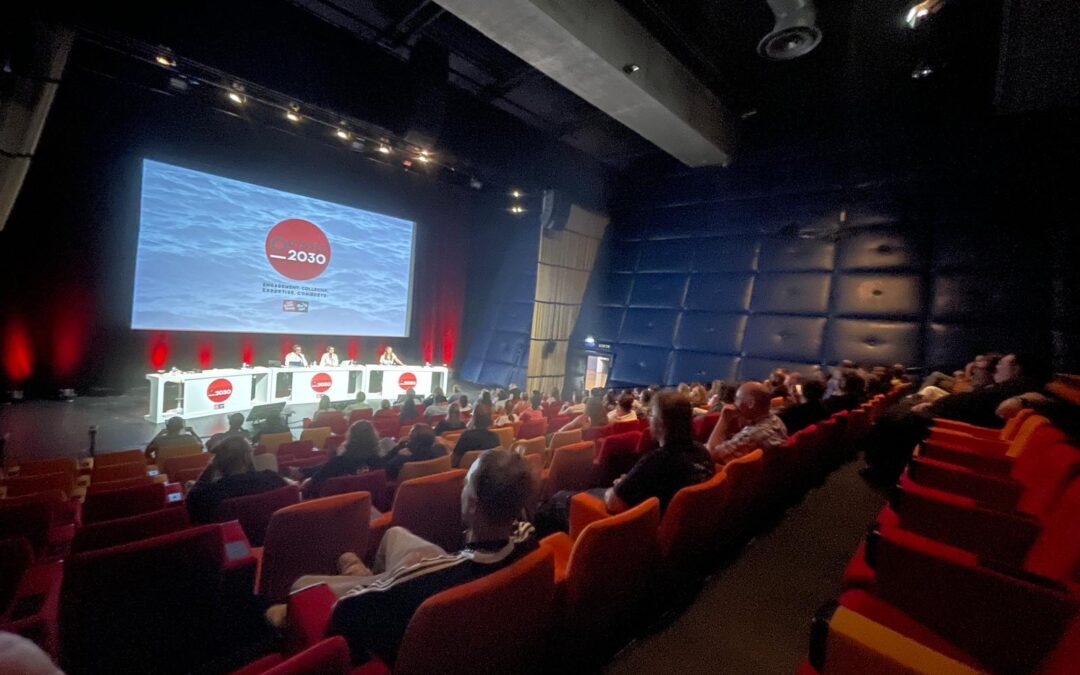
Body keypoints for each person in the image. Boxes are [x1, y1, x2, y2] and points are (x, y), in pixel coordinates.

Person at [278, 450, 536, 666]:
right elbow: (520, 526)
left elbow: (344, 613)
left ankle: (374, 577)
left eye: (466, 484)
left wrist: (390, 582)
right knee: (395, 534)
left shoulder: (428, 580)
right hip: (443, 571)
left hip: (411, 596)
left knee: (302, 586)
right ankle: (375, 576)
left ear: (473, 504)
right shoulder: (528, 539)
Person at [534, 390, 714, 535]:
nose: (648, 419)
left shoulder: (657, 460)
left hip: (630, 527)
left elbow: (614, 503)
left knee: (557, 501)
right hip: (675, 530)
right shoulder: (702, 452)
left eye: (652, 415)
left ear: (660, 423)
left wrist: (620, 485)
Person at [186, 437, 288, 523]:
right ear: (246, 457)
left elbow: (190, 504)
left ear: (216, 462)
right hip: (275, 540)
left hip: (231, 544)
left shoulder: (205, 495)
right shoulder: (271, 479)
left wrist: (210, 467)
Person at [706, 382, 789, 464]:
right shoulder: (776, 420)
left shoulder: (752, 435)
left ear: (750, 403)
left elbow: (710, 454)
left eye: (737, 399)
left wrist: (723, 419)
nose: (734, 404)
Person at [302, 421, 384, 498]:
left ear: (350, 438)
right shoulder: (378, 462)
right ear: (374, 438)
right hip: (369, 505)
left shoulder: (336, 463)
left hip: (334, 508)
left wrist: (306, 481)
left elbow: (310, 485)